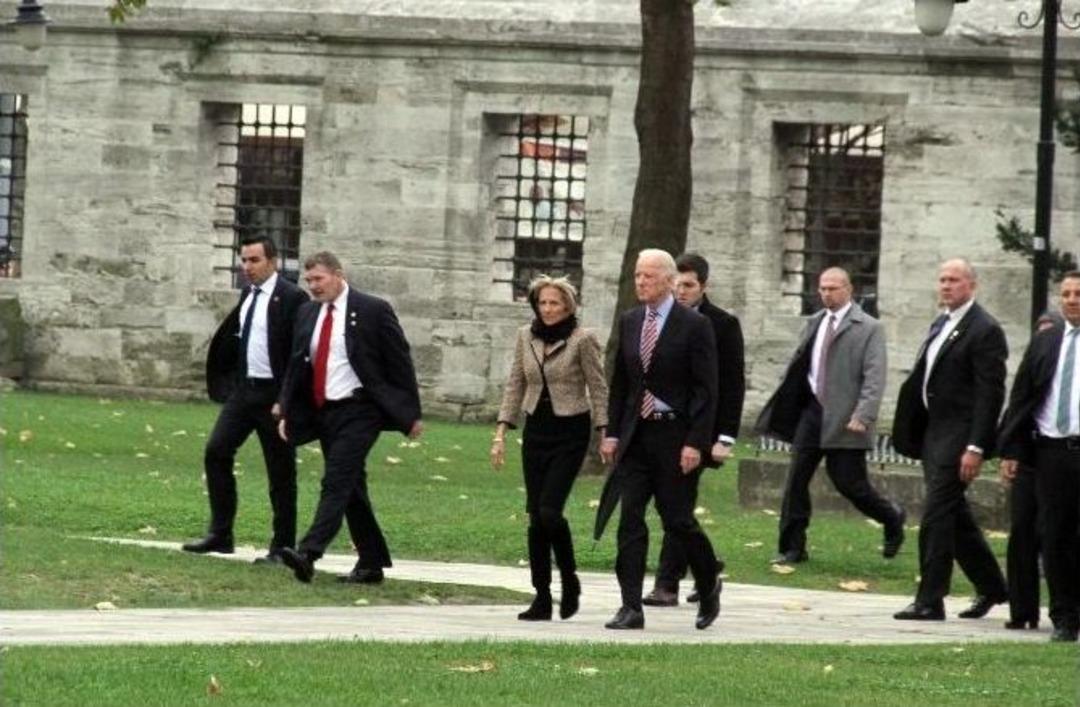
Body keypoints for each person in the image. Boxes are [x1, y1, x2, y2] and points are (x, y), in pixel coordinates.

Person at [275, 251, 423, 584]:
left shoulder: (372, 310)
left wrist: (410, 413)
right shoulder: (307, 313)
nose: (313, 286)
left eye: (319, 279)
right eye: (308, 280)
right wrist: (285, 407)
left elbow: (400, 362)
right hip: (323, 411)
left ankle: (309, 552)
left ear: (338, 275)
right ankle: (371, 563)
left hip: (361, 410)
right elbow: (297, 365)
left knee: (337, 479)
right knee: (352, 487)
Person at [596, 249, 721, 631]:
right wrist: (612, 432)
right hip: (637, 437)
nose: (640, 282)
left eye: (648, 276)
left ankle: (708, 581)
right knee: (630, 519)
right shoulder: (632, 320)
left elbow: (706, 390)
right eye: (637, 275)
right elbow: (621, 384)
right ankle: (630, 606)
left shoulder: (694, 326)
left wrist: (695, 442)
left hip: (674, 436)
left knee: (678, 522)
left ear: (668, 281)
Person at [755, 267, 905, 566]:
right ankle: (792, 547)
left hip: (846, 417)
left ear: (848, 289)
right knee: (796, 480)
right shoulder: (814, 322)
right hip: (812, 414)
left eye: (833, 288)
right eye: (822, 288)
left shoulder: (868, 327)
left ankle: (891, 517)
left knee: (850, 485)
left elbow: (874, 377)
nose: (826, 293)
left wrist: (863, 414)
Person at [892, 258, 1008, 622]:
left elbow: (990, 394)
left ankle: (930, 598)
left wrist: (976, 446)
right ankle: (992, 586)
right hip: (933, 433)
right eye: (942, 279)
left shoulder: (984, 329)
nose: (946, 286)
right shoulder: (942, 322)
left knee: (937, 516)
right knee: (954, 517)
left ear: (971, 285)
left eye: (954, 280)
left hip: (958, 438)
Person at [183, 236, 307, 563]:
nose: (246, 267)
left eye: (254, 260)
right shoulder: (248, 294)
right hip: (244, 392)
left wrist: (288, 399)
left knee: (281, 473)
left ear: (273, 262)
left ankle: (282, 546)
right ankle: (220, 533)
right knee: (216, 451)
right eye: (244, 260)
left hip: (275, 395)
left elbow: (299, 353)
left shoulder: (293, 297)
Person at [491, 275, 609, 621]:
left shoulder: (582, 339)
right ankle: (541, 596)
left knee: (549, 511)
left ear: (568, 305)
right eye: (542, 303)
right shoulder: (525, 336)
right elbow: (516, 383)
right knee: (534, 517)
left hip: (570, 429)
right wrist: (501, 430)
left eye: (554, 303)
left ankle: (569, 579)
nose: (547, 309)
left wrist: (604, 430)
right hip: (536, 429)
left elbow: (598, 386)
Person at [644, 252, 745, 607]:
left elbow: (732, 384)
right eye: (677, 283)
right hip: (663, 427)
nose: (681, 291)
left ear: (704, 286)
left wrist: (725, 437)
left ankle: (667, 584)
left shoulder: (722, 325)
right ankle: (707, 567)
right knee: (673, 507)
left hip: (701, 431)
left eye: (689, 285)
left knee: (677, 506)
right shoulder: (658, 319)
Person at [998, 277, 1080, 642]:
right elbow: (1022, 396)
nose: (1072, 300)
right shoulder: (1046, 341)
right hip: (1052, 451)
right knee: (1054, 534)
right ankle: (1064, 616)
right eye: (1066, 294)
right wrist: (1013, 449)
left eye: (1079, 294)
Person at [999, 310, 1059, 632]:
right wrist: (1011, 451)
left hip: (1060, 457)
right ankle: (1022, 608)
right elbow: (1017, 408)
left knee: (1057, 533)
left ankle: (1064, 607)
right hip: (1030, 456)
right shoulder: (1034, 367)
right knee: (1022, 530)